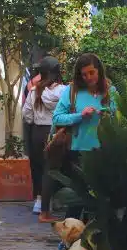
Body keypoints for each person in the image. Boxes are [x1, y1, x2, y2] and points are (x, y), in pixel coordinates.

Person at [51, 53, 116, 221]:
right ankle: (69, 240)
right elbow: (57, 118)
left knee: (100, 200)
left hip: (103, 151)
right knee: (76, 200)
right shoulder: (72, 91)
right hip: (78, 151)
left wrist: (108, 114)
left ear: (99, 71)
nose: (88, 78)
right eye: (84, 74)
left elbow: (122, 115)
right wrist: (80, 115)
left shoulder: (110, 91)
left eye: (91, 73)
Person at [22, 56, 65, 223]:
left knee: (38, 166)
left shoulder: (34, 91)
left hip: (37, 132)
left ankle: (39, 202)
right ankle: (48, 206)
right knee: (51, 169)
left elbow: (27, 114)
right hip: (55, 131)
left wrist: (34, 121)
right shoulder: (64, 91)